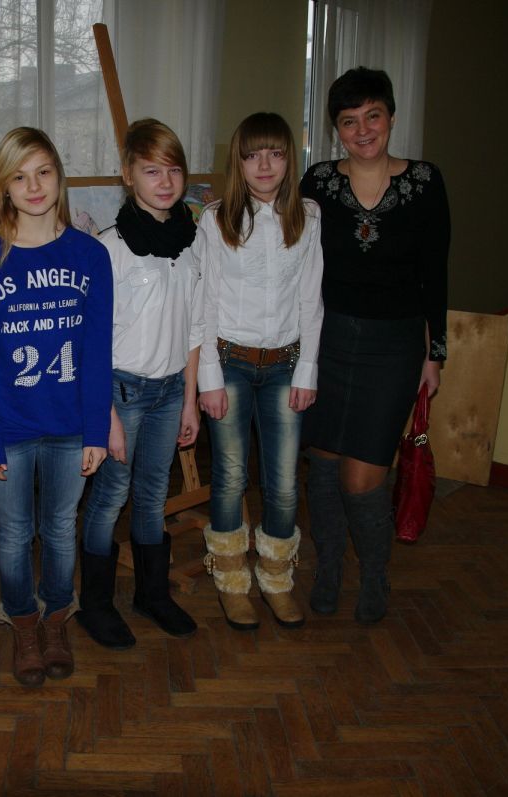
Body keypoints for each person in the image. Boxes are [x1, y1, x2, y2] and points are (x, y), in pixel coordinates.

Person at [0, 127, 113, 686]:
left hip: (71, 425)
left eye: (43, 172)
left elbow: (97, 352)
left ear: (58, 177)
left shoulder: (90, 255)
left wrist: (96, 430)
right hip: (8, 426)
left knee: (60, 528)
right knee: (13, 533)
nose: (33, 186)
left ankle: (56, 619)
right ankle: (23, 622)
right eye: (19, 176)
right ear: (3, 187)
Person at [299, 67, 450, 624]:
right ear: (336, 128)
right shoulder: (317, 182)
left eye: (373, 116)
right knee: (322, 465)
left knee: (362, 476)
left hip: (394, 348)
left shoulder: (425, 182)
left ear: (390, 117)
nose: (363, 130)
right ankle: (328, 570)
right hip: (327, 340)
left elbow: (435, 273)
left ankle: (374, 574)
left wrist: (435, 354)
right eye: (349, 121)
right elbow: (292, 260)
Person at [196, 112, 325, 631]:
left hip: (285, 365)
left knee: (285, 482)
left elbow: (311, 299)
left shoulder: (308, 217)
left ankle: (276, 578)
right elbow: (205, 301)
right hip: (229, 361)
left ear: (289, 159)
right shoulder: (216, 220)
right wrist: (208, 377)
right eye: (253, 156)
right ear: (239, 163)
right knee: (230, 476)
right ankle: (232, 581)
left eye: (275, 153)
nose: (265, 165)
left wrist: (307, 370)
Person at [76, 119, 201, 650]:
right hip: (121, 393)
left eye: (173, 170)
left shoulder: (191, 241)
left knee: (153, 496)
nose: (165, 182)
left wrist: (190, 400)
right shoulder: (109, 249)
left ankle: (152, 594)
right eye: (152, 171)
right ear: (128, 175)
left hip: (171, 391)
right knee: (110, 496)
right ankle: (95, 605)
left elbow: (195, 326)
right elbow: (92, 341)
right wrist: (104, 416)